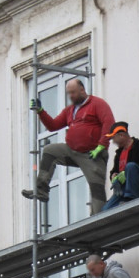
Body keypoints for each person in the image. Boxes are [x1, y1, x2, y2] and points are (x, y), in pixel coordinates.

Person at [23, 78, 115, 215]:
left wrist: (101, 146)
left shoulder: (97, 104)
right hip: (72, 151)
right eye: (69, 93)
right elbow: (53, 125)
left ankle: (99, 217)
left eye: (73, 92)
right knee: (50, 151)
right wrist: (41, 111)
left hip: (91, 154)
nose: (71, 96)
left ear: (82, 90)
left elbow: (109, 123)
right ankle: (41, 189)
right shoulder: (70, 110)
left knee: (96, 187)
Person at [102, 121, 139, 211]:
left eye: (113, 138)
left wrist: (126, 173)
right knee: (106, 210)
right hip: (123, 190)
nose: (113, 142)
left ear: (121, 135)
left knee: (130, 166)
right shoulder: (119, 154)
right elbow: (114, 171)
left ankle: (130, 198)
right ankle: (126, 198)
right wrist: (113, 177)